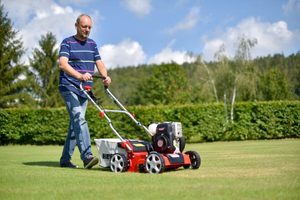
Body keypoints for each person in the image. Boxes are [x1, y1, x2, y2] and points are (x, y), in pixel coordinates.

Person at [58, 14, 111, 169]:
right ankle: (87, 156)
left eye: (89, 27)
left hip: (84, 90)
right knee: (79, 118)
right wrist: (79, 76)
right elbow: (62, 64)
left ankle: (65, 160)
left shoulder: (92, 44)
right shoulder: (67, 42)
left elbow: (99, 63)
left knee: (75, 125)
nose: (87, 30)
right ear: (76, 25)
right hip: (69, 86)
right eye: (84, 26)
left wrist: (105, 76)